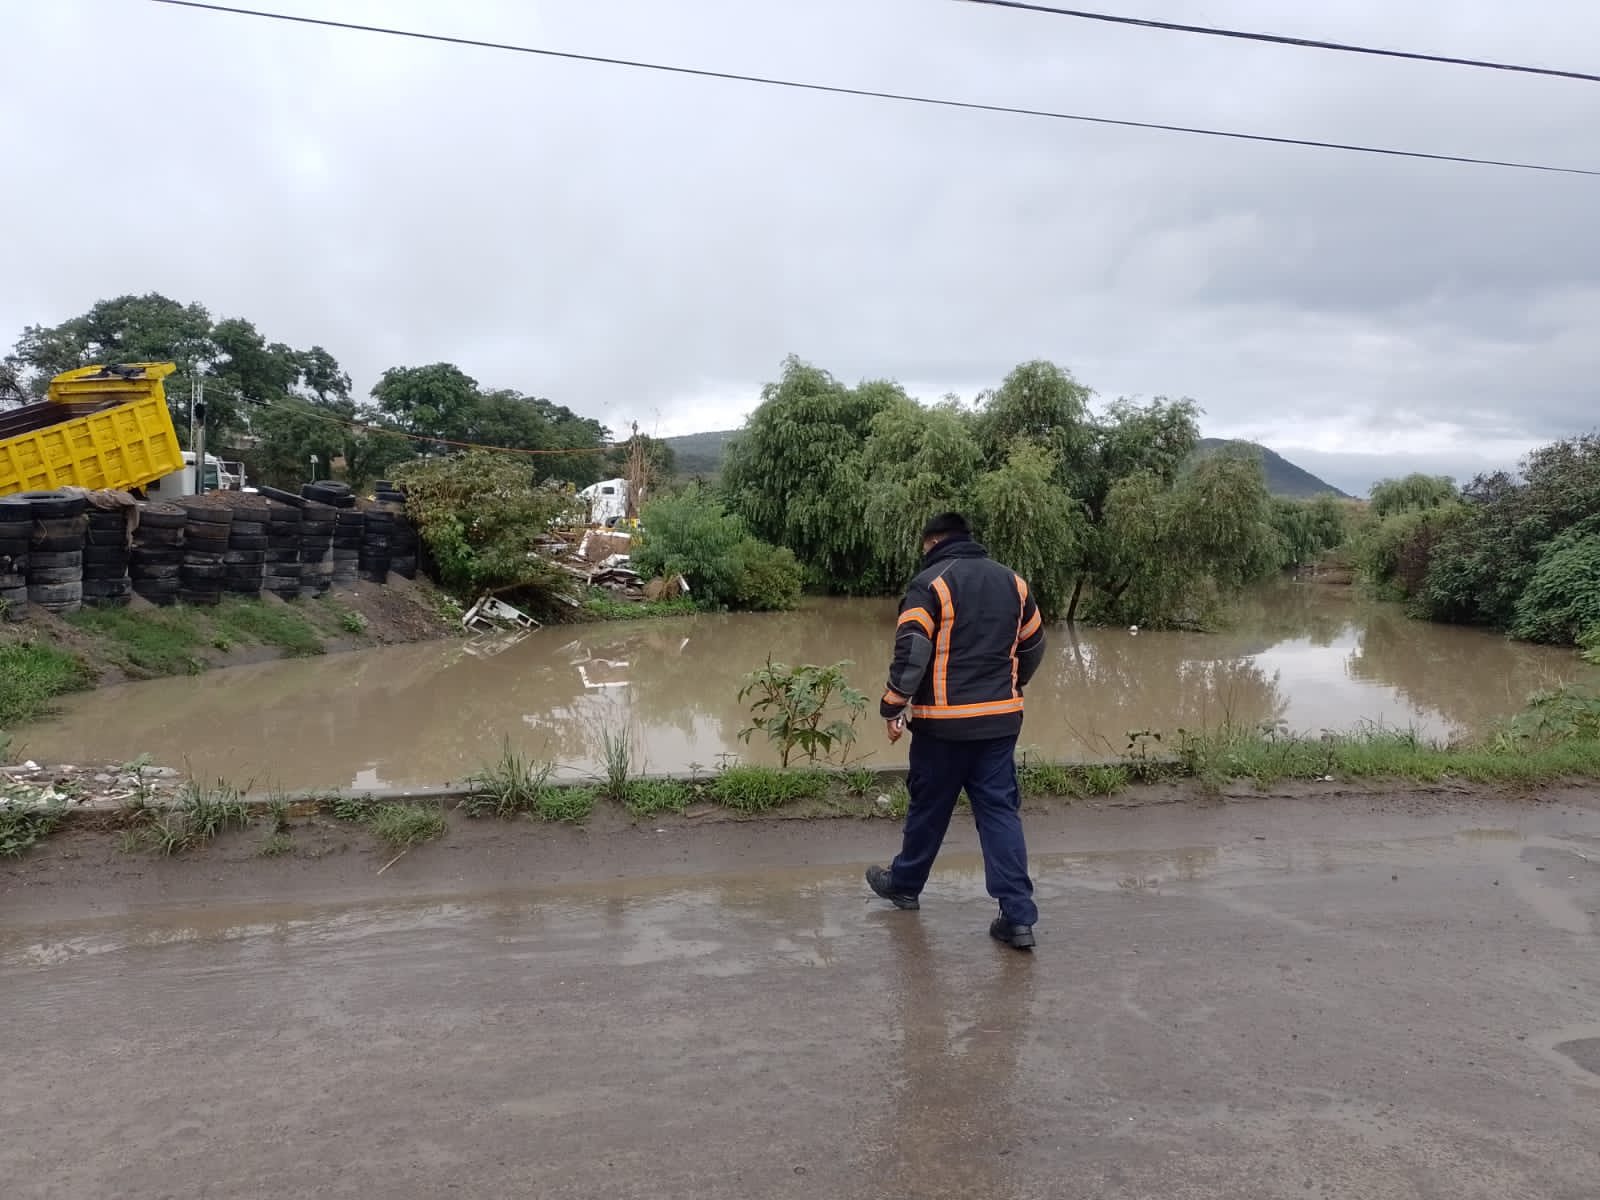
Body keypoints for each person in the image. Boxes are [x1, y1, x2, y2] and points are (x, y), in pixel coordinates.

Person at [865, 512, 1047, 950]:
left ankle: (905, 885)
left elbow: (913, 652)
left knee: (929, 808)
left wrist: (892, 705)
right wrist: (1011, 684)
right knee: (1000, 813)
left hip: (942, 727)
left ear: (931, 542)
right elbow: (1035, 645)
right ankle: (1018, 917)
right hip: (1000, 722)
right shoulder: (1014, 584)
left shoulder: (930, 585)